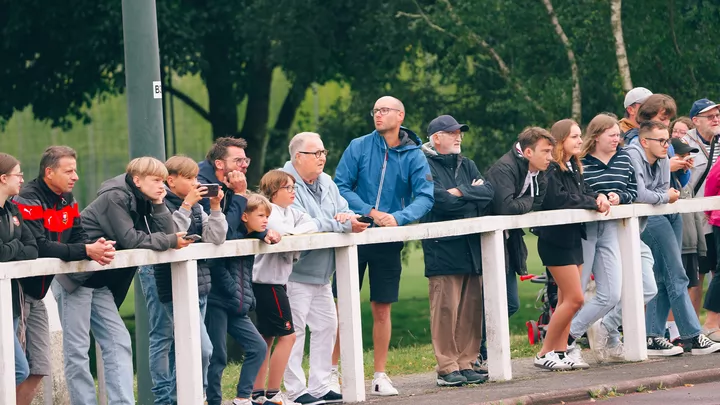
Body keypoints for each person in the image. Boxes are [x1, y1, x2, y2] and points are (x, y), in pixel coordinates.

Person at [52, 157, 188, 405]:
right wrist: (169, 241)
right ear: (137, 180)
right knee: (78, 352)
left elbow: (168, 232)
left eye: (163, 181)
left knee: (119, 342)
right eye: (156, 181)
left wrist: (159, 204)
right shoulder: (115, 197)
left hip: (100, 282)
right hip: (76, 278)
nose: (163, 187)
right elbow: (131, 240)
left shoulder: (146, 198)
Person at [333, 96, 434, 396]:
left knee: (382, 308)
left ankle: (379, 375)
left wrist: (399, 218)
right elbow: (340, 186)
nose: (378, 115)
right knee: (340, 307)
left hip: (388, 240)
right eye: (375, 110)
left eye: (384, 110)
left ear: (400, 115)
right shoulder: (358, 146)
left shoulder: (415, 154)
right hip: (353, 236)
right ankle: (331, 373)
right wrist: (370, 211)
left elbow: (426, 196)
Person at [11, 146, 116, 405]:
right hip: (17, 292)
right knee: (15, 369)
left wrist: (94, 246)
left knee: (39, 368)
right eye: (69, 171)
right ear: (49, 172)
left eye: (76, 170)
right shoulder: (27, 198)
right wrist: (86, 250)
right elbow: (40, 247)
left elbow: (79, 236)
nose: (76, 176)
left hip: (38, 293)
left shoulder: (67, 198)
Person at [281, 132, 368, 405]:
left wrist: (349, 218)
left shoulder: (327, 181)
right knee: (293, 332)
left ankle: (319, 386)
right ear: (298, 157)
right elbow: (304, 223)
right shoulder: (283, 182)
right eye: (315, 153)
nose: (321, 158)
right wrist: (340, 222)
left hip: (322, 271)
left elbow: (343, 210)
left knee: (327, 327)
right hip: (294, 271)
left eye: (323, 153)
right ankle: (295, 391)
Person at [137, 155, 228, 405]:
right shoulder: (157, 203)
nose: (194, 183)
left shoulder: (198, 206)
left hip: (196, 280)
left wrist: (216, 207)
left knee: (190, 344)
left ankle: (186, 396)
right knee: (165, 337)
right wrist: (186, 205)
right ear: (171, 180)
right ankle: (167, 398)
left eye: (196, 177)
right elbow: (169, 236)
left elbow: (216, 238)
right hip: (163, 278)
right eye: (188, 178)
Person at [627, 121, 720, 355]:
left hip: (668, 211)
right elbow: (641, 194)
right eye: (661, 141)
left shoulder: (661, 156)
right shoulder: (633, 155)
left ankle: (653, 336)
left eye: (667, 140)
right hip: (649, 216)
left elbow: (665, 188)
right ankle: (693, 335)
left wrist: (665, 193)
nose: (666, 145)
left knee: (662, 276)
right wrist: (663, 196)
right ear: (644, 141)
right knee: (676, 274)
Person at [419, 115, 494, 386]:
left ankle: (467, 362)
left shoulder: (468, 163)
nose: (458, 137)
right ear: (436, 137)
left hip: (470, 247)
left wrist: (459, 193)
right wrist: (467, 195)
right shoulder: (423, 165)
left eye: (459, 132)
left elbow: (488, 194)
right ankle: (447, 367)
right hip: (442, 248)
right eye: (451, 133)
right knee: (446, 309)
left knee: (471, 308)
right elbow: (441, 203)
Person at [532, 120, 609, 370]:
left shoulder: (574, 166)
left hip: (574, 239)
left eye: (579, 136)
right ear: (561, 139)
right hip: (555, 241)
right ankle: (544, 352)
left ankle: (561, 350)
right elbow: (560, 199)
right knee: (576, 299)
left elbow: (583, 191)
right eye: (574, 137)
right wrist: (590, 202)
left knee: (566, 299)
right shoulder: (551, 168)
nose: (579, 141)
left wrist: (598, 196)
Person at [565, 114, 638, 363]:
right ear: (596, 136)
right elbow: (579, 191)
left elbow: (633, 190)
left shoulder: (625, 158)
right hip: (584, 229)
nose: (618, 139)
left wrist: (618, 196)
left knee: (611, 294)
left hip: (609, 227)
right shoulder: (581, 161)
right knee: (576, 291)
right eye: (612, 135)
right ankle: (564, 344)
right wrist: (598, 197)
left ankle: (568, 336)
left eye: (619, 134)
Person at [482, 127, 553, 369]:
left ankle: (480, 349)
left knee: (510, 303)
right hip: (488, 243)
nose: (550, 157)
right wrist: (529, 202)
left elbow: (539, 202)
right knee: (497, 301)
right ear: (529, 151)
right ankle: (479, 350)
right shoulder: (504, 168)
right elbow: (505, 207)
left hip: (509, 242)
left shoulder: (539, 170)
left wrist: (525, 203)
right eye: (546, 151)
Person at [250, 170, 318, 405]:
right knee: (288, 336)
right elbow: (277, 229)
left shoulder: (290, 212)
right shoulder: (268, 210)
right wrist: (288, 233)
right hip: (267, 282)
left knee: (266, 338)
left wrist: (292, 234)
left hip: (276, 281)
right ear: (272, 190)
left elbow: (310, 223)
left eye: (293, 188)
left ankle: (258, 394)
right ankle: (272, 393)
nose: (292, 192)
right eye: (287, 188)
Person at [205, 193, 276, 405]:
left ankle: (243, 397)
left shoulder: (252, 236)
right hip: (218, 303)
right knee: (217, 355)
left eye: (267, 216)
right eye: (261, 215)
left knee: (258, 347)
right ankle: (214, 401)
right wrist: (233, 290)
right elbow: (216, 266)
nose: (265, 220)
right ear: (244, 216)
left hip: (237, 304)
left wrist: (264, 233)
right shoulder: (231, 236)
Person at [683, 99, 720, 342]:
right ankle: (694, 329)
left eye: (717, 115)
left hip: (714, 218)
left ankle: (709, 327)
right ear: (695, 121)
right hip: (693, 216)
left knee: (716, 269)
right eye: (709, 116)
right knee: (696, 273)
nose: (716, 119)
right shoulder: (685, 143)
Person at [0, 153, 37, 395]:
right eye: (18, 174)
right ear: (3, 178)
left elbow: (32, 249)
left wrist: (9, 249)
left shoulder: (13, 208)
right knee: (17, 370)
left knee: (14, 369)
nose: (22, 180)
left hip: (10, 300)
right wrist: (14, 248)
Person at [670, 138, 704, 320]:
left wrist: (701, 243)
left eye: (687, 156)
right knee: (671, 285)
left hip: (689, 239)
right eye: (681, 156)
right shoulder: (665, 178)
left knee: (690, 284)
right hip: (675, 242)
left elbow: (695, 213)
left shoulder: (684, 179)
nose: (686, 160)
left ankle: (682, 329)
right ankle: (670, 330)